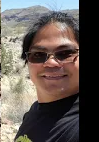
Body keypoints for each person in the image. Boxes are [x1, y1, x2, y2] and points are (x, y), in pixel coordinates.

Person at [14, 11, 79, 142]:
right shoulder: (35, 111)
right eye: (38, 55)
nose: (51, 63)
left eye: (65, 53)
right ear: (27, 61)